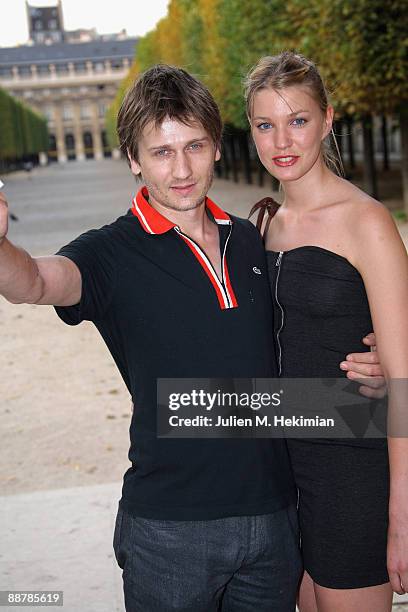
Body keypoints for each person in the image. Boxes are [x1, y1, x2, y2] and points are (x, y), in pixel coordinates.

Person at [0, 64, 384, 612]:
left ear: (217, 148)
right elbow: (35, 281)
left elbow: (302, 341)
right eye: (161, 151)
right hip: (170, 532)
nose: (180, 170)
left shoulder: (253, 239)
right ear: (133, 159)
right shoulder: (110, 251)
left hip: (274, 525)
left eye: (195, 146)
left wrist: (378, 368)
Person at [245, 51, 408, 612]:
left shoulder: (367, 221)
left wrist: (403, 515)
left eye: (298, 120)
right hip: (282, 476)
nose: (281, 140)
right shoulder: (262, 225)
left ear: (328, 119)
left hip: (351, 472)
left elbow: (404, 382)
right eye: (266, 124)